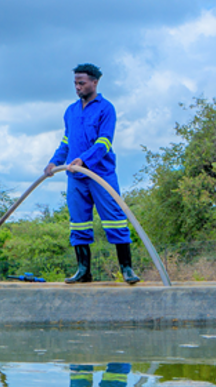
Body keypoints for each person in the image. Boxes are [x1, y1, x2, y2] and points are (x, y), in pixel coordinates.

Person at [45, 64, 139, 285]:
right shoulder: (70, 111)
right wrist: (54, 161)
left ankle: (126, 269)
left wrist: (84, 159)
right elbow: (66, 142)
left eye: (82, 83)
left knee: (115, 220)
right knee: (78, 223)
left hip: (101, 175)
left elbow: (105, 141)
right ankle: (83, 271)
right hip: (76, 178)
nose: (77, 87)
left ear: (94, 82)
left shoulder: (106, 109)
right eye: (75, 83)